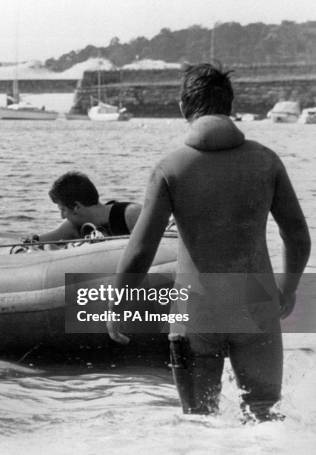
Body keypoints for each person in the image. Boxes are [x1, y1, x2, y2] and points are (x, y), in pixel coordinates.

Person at [106, 63, 310, 421]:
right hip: (255, 306)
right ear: (229, 106)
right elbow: (297, 236)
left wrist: (118, 303)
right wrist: (288, 287)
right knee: (264, 418)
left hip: (196, 312)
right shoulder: (266, 161)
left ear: (183, 107)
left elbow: (141, 249)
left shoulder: (171, 168)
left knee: (199, 423)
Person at [33, 171, 141, 242]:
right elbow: (37, 242)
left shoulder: (131, 215)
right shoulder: (74, 226)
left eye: (63, 210)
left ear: (77, 207)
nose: (62, 216)